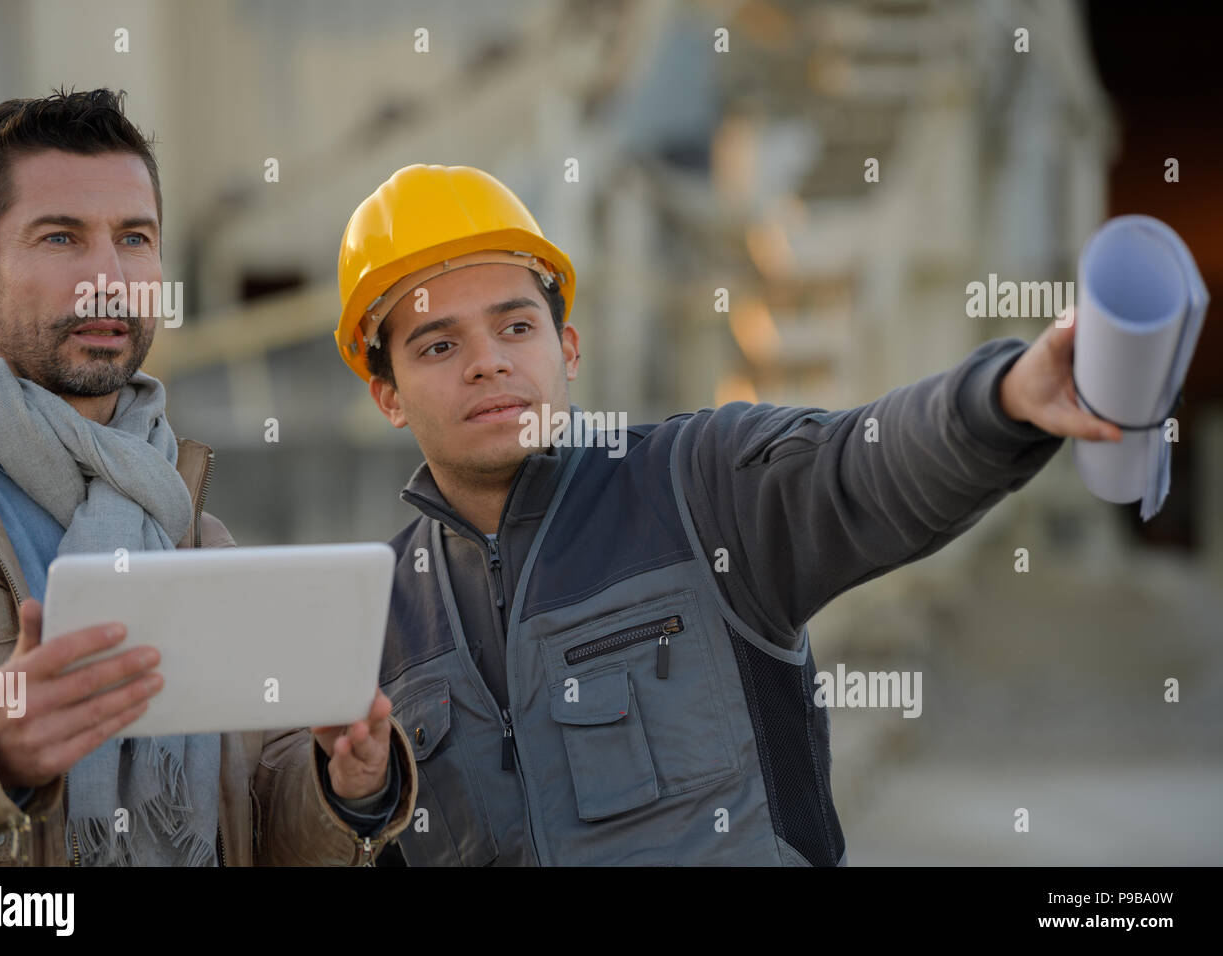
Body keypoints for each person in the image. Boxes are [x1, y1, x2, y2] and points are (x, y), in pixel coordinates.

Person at [333, 163, 1123, 866]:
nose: (488, 361)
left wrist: (1003, 400)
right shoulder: (379, 615)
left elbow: (865, 464)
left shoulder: (699, 488)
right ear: (388, 396)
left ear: (567, 349)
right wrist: (362, 801)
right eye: (438, 346)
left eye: (515, 326)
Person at [0, 89, 415, 866]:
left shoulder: (195, 533)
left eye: (134, 238)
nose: (108, 278)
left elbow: (251, 827)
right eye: (60, 238)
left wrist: (344, 785)